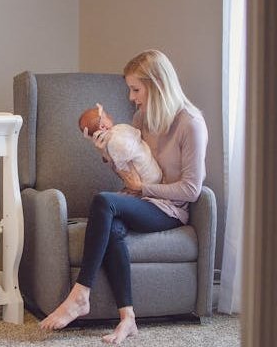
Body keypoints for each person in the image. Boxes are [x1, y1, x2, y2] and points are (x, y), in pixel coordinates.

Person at [39, 49, 208, 345]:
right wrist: (106, 153)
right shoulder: (141, 118)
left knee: (104, 201)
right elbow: (130, 173)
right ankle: (127, 318)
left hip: (169, 209)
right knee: (113, 229)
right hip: (141, 200)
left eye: (136, 89)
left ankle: (80, 294)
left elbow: (191, 190)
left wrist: (144, 190)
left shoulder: (190, 123)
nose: (131, 97)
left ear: (157, 85)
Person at [78, 103, 162, 190]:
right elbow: (136, 134)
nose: (110, 116)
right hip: (149, 177)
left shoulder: (114, 137)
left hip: (147, 181)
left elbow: (120, 167)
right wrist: (104, 154)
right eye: (106, 116)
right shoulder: (116, 138)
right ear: (102, 126)